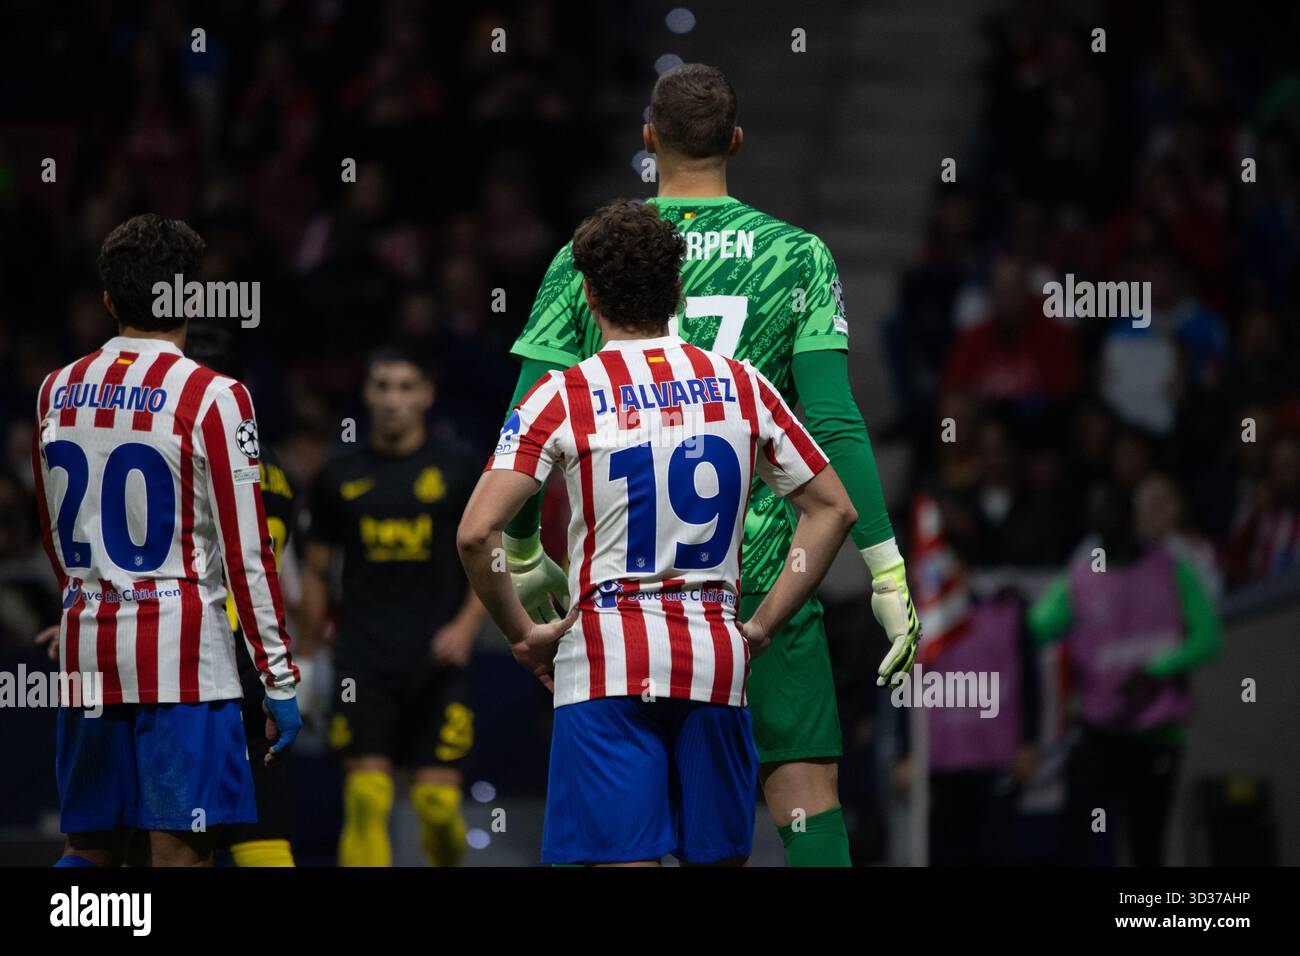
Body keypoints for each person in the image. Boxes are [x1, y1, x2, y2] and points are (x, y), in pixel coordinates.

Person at [499, 63, 919, 866]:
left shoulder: (589, 256)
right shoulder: (797, 255)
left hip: (630, 587)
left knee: (631, 826)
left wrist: (524, 553)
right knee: (803, 800)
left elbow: (525, 420)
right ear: (735, 140)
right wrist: (886, 569)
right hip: (766, 570)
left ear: (648, 138)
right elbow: (833, 421)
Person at [458, 199, 858, 866]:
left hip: (606, 658)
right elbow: (834, 511)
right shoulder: (741, 385)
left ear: (586, 295)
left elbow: (477, 534)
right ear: (677, 289)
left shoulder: (561, 395)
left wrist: (521, 634)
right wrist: (761, 626)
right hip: (715, 655)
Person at [31, 214, 300, 867]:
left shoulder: (54, 390)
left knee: (90, 846)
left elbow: (51, 534)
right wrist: (279, 680)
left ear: (107, 300)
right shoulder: (214, 397)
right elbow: (246, 554)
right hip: (180, 660)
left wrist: (85, 604)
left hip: (88, 649)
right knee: (179, 849)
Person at [297, 346, 485, 867]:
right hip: (363, 660)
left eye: (405, 387)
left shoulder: (459, 469)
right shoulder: (338, 474)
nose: (393, 399)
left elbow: (490, 559)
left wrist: (467, 628)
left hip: (437, 658)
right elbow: (315, 569)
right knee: (366, 798)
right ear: (367, 393)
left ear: (427, 394)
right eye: (382, 386)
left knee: (437, 804)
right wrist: (309, 658)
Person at [1029, 483, 1222, 865]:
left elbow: (1209, 639)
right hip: (1100, 732)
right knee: (1077, 838)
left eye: (1114, 513)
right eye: (1098, 516)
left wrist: (1156, 670)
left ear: (1132, 519)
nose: (1107, 523)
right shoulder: (1081, 579)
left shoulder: (1170, 569)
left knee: (1146, 845)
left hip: (1158, 733)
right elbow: (1036, 627)